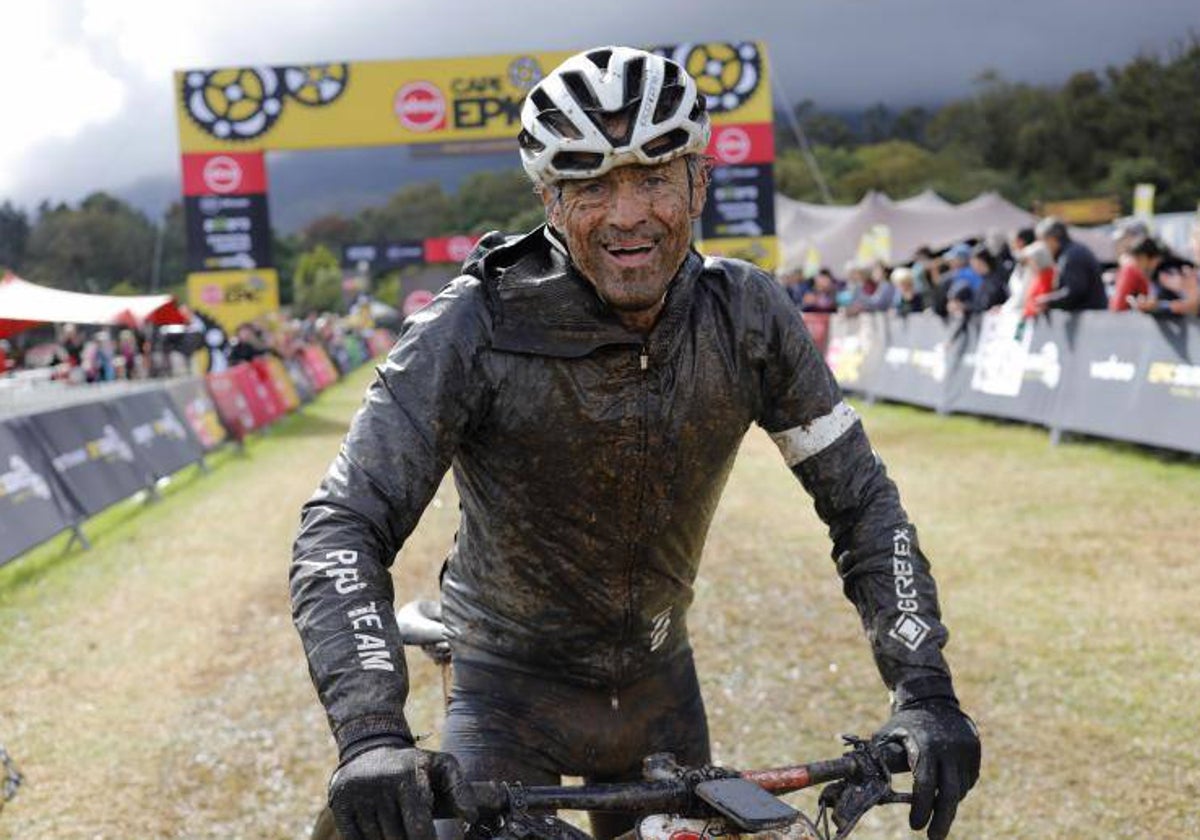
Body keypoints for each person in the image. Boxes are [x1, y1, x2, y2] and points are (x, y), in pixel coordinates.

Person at [291, 46, 979, 840]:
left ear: (700, 182)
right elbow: (342, 525)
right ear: (550, 199)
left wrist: (924, 687)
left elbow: (862, 507)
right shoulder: (473, 325)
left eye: (654, 177)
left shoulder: (747, 316)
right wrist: (373, 735)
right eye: (591, 185)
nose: (627, 215)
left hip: (658, 691)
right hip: (507, 691)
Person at [1033, 217, 1107, 311]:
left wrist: (1047, 301)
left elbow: (1074, 292)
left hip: (1089, 317)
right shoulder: (1073, 252)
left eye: (1043, 241)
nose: (1043, 247)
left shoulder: (1071, 256)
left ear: (1051, 239)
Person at [1128, 237, 1200, 317]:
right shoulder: (1156, 274)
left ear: (1147, 257)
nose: (1135, 265)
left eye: (1138, 259)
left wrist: (1158, 306)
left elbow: (1192, 305)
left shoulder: (1168, 272)